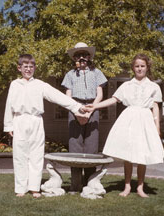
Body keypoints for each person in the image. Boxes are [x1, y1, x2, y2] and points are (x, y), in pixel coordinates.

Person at [3, 54, 87, 198]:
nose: (28, 69)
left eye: (31, 67)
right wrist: (8, 125)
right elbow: (9, 105)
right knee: (20, 156)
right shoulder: (14, 84)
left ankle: (34, 187)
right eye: (25, 67)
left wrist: (77, 107)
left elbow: (58, 96)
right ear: (19, 68)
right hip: (19, 120)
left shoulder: (40, 85)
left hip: (36, 121)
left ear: (35, 68)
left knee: (36, 155)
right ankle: (20, 188)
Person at [84, 54, 164, 197]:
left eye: (142, 66)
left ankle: (140, 187)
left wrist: (157, 127)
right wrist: (95, 106)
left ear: (147, 67)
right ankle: (127, 186)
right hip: (129, 120)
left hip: (145, 121)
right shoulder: (126, 85)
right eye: (137, 66)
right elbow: (113, 99)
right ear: (133, 68)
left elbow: (155, 107)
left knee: (142, 154)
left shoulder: (154, 87)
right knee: (128, 154)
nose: (139, 69)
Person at [61, 42, 108, 192]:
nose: (81, 58)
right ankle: (75, 185)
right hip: (75, 108)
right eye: (78, 55)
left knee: (91, 147)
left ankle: (90, 185)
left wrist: (91, 109)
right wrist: (76, 110)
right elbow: (68, 96)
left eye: (84, 55)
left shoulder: (97, 73)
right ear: (74, 58)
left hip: (92, 108)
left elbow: (100, 94)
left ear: (89, 57)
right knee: (75, 145)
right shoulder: (70, 74)